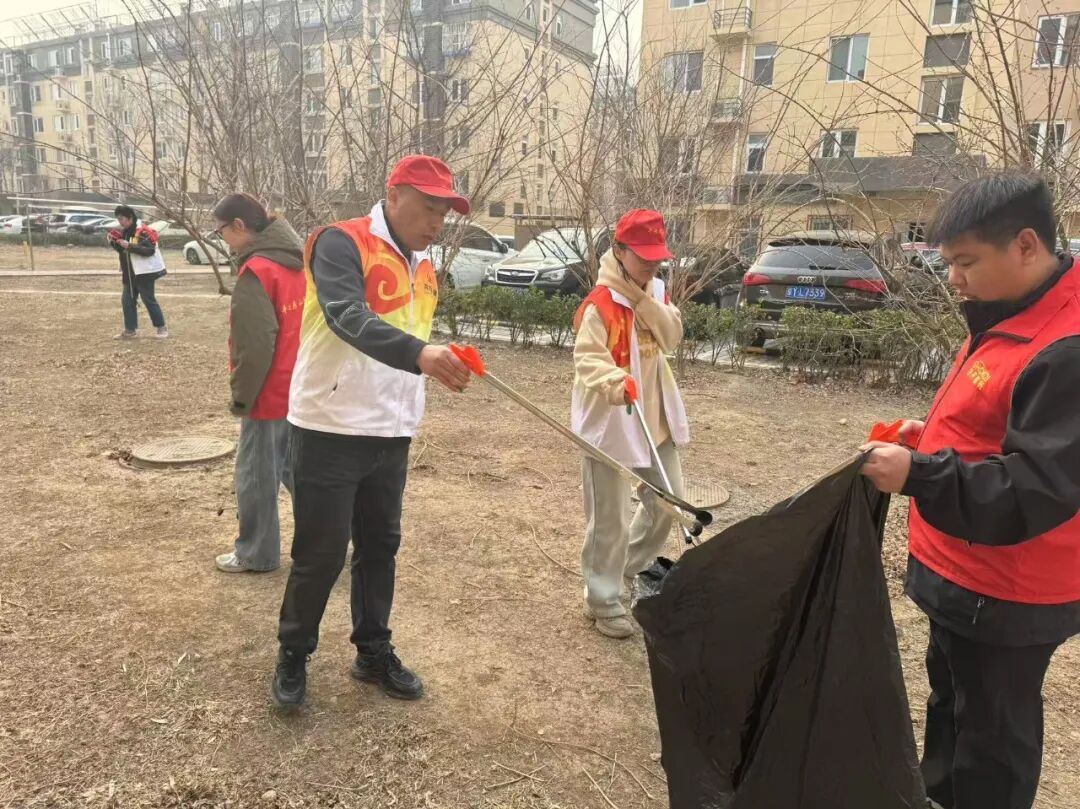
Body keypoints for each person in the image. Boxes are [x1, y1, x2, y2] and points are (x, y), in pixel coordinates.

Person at [859, 174, 1080, 809]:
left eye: (965, 262)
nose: (952, 278)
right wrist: (928, 439)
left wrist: (920, 474)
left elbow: (1034, 486)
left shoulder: (1066, 349)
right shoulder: (1007, 309)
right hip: (961, 573)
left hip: (1008, 590)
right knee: (951, 706)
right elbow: (991, 426)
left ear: (1026, 245)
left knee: (993, 738)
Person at [271, 155, 472, 708]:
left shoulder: (424, 263)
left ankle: (373, 649)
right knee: (321, 553)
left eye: (445, 212)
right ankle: (293, 653)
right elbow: (346, 315)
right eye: (429, 207)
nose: (437, 222)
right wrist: (421, 355)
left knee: (381, 546)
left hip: (392, 428)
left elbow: (410, 331)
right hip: (330, 426)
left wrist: (435, 363)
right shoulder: (340, 242)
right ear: (395, 193)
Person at [571, 209, 689, 639]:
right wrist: (613, 381)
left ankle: (622, 570)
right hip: (611, 422)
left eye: (657, 256)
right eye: (642, 255)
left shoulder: (656, 291)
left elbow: (671, 338)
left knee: (669, 503)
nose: (651, 265)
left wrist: (644, 301)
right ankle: (603, 601)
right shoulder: (599, 304)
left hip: (654, 419)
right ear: (619, 251)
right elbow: (587, 358)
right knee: (610, 518)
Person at [211, 194, 306, 575]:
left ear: (238, 226)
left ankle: (256, 552)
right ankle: (333, 539)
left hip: (268, 392)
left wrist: (242, 397)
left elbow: (253, 346)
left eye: (220, 231)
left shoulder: (258, 271)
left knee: (256, 475)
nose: (221, 239)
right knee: (301, 474)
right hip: (302, 387)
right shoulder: (299, 262)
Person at [109, 205, 168, 339]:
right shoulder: (125, 232)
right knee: (127, 301)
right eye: (118, 219)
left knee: (149, 300)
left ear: (130, 217)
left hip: (144, 273)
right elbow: (123, 251)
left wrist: (129, 245)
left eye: (121, 219)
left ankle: (161, 328)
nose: (120, 222)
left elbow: (149, 250)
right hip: (129, 274)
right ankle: (130, 330)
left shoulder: (143, 231)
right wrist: (114, 242)